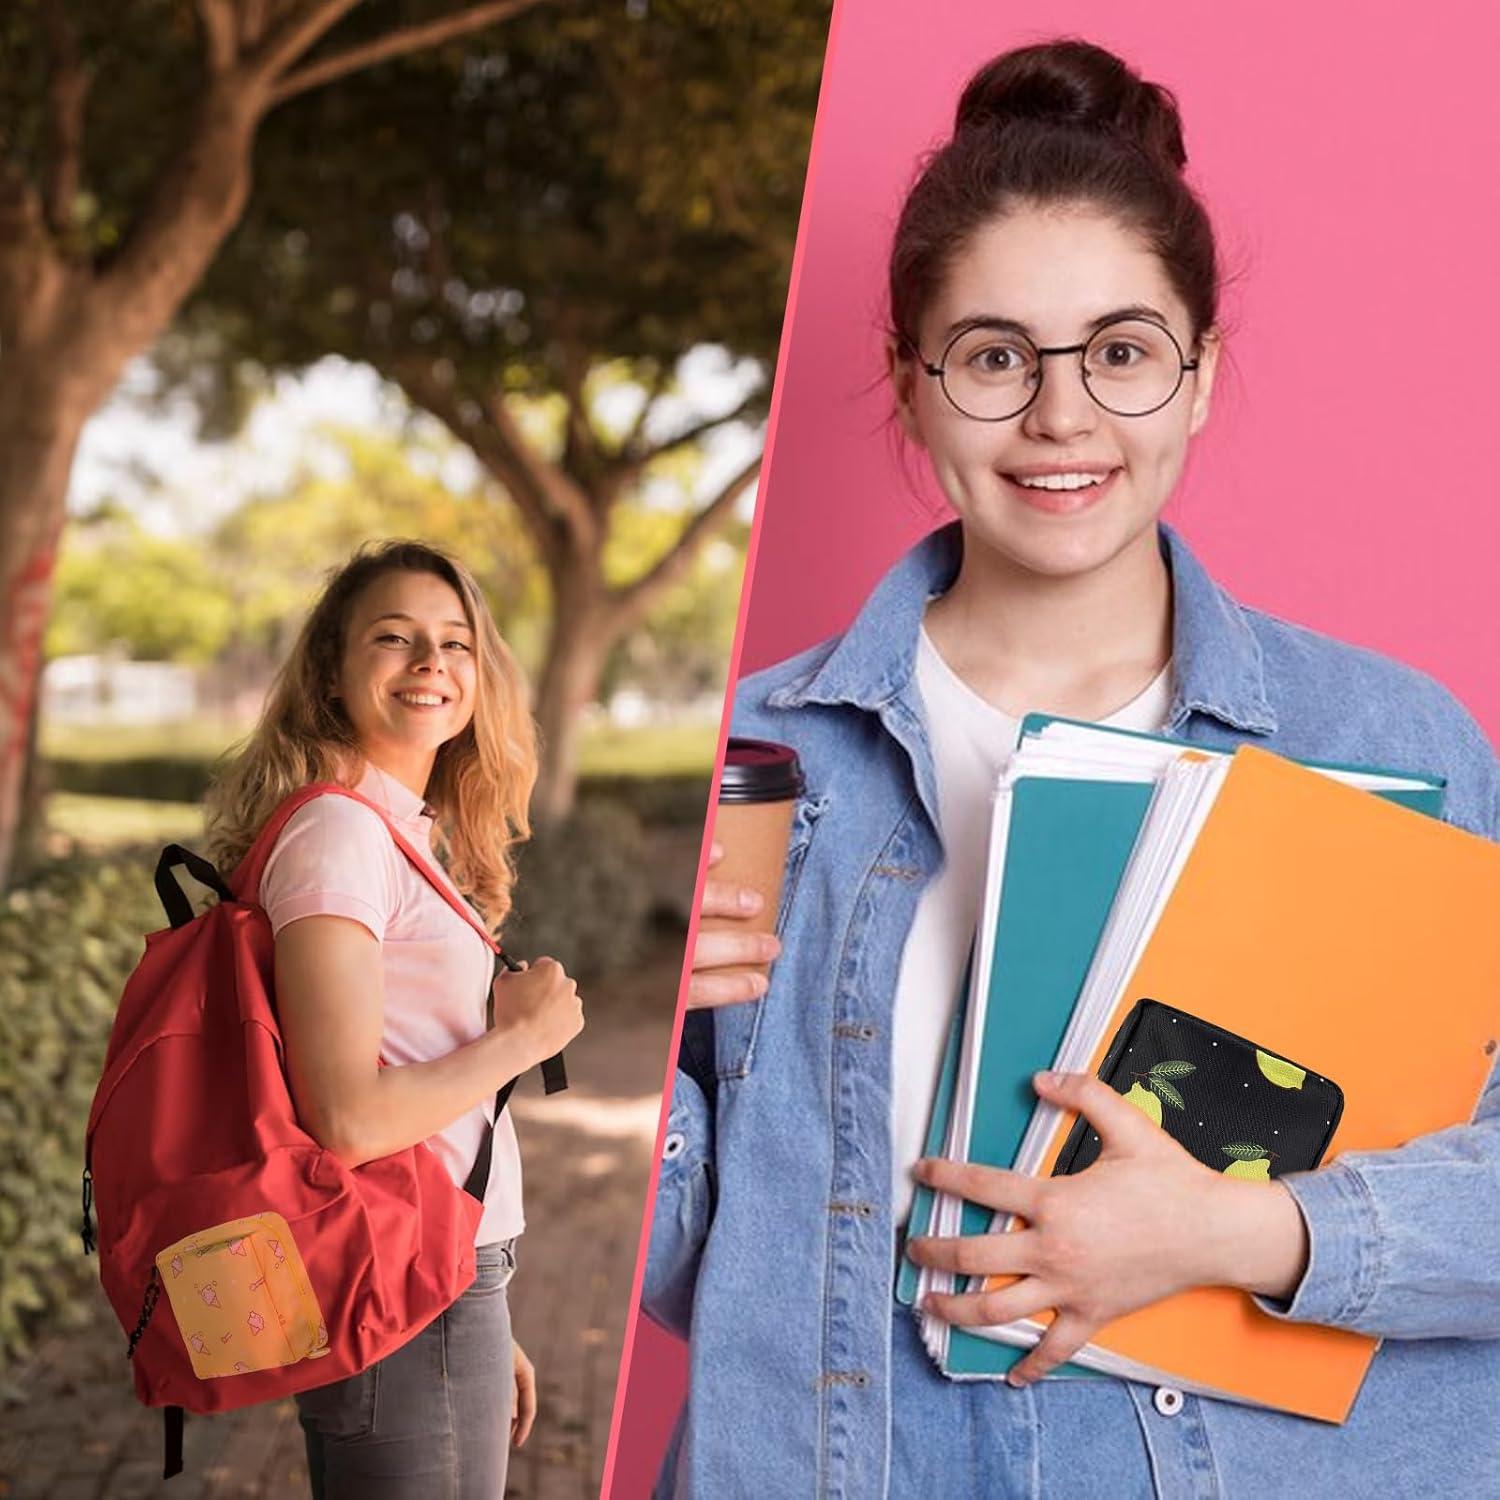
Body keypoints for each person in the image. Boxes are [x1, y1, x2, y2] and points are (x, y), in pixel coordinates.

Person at [645, 39, 1500, 1499]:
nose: (1060, 416)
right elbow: (684, 1269)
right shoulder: (755, 762)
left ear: (1199, 377)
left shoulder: (1399, 740)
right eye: (994, 357)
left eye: (1120, 351)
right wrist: (617, 1026)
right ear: (909, 386)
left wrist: (1246, 1234)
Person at [204, 540, 584, 1499]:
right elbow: (350, 1120)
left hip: (434, 1280)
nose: (431, 665)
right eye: (395, 638)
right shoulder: (337, 836)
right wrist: (522, 1039)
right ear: (333, 674)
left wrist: (483, 1318)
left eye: (456, 644)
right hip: (405, 1293)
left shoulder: (391, 830)